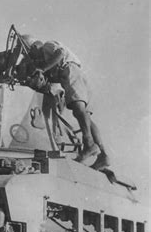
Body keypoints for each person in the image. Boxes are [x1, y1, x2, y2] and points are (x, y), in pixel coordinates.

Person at [23, 37, 110, 169]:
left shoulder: (47, 46)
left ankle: (89, 145)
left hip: (70, 71)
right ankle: (103, 155)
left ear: (34, 47)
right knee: (85, 116)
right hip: (74, 74)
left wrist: (42, 68)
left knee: (78, 110)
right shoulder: (47, 59)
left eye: (29, 53)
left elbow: (60, 53)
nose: (30, 57)